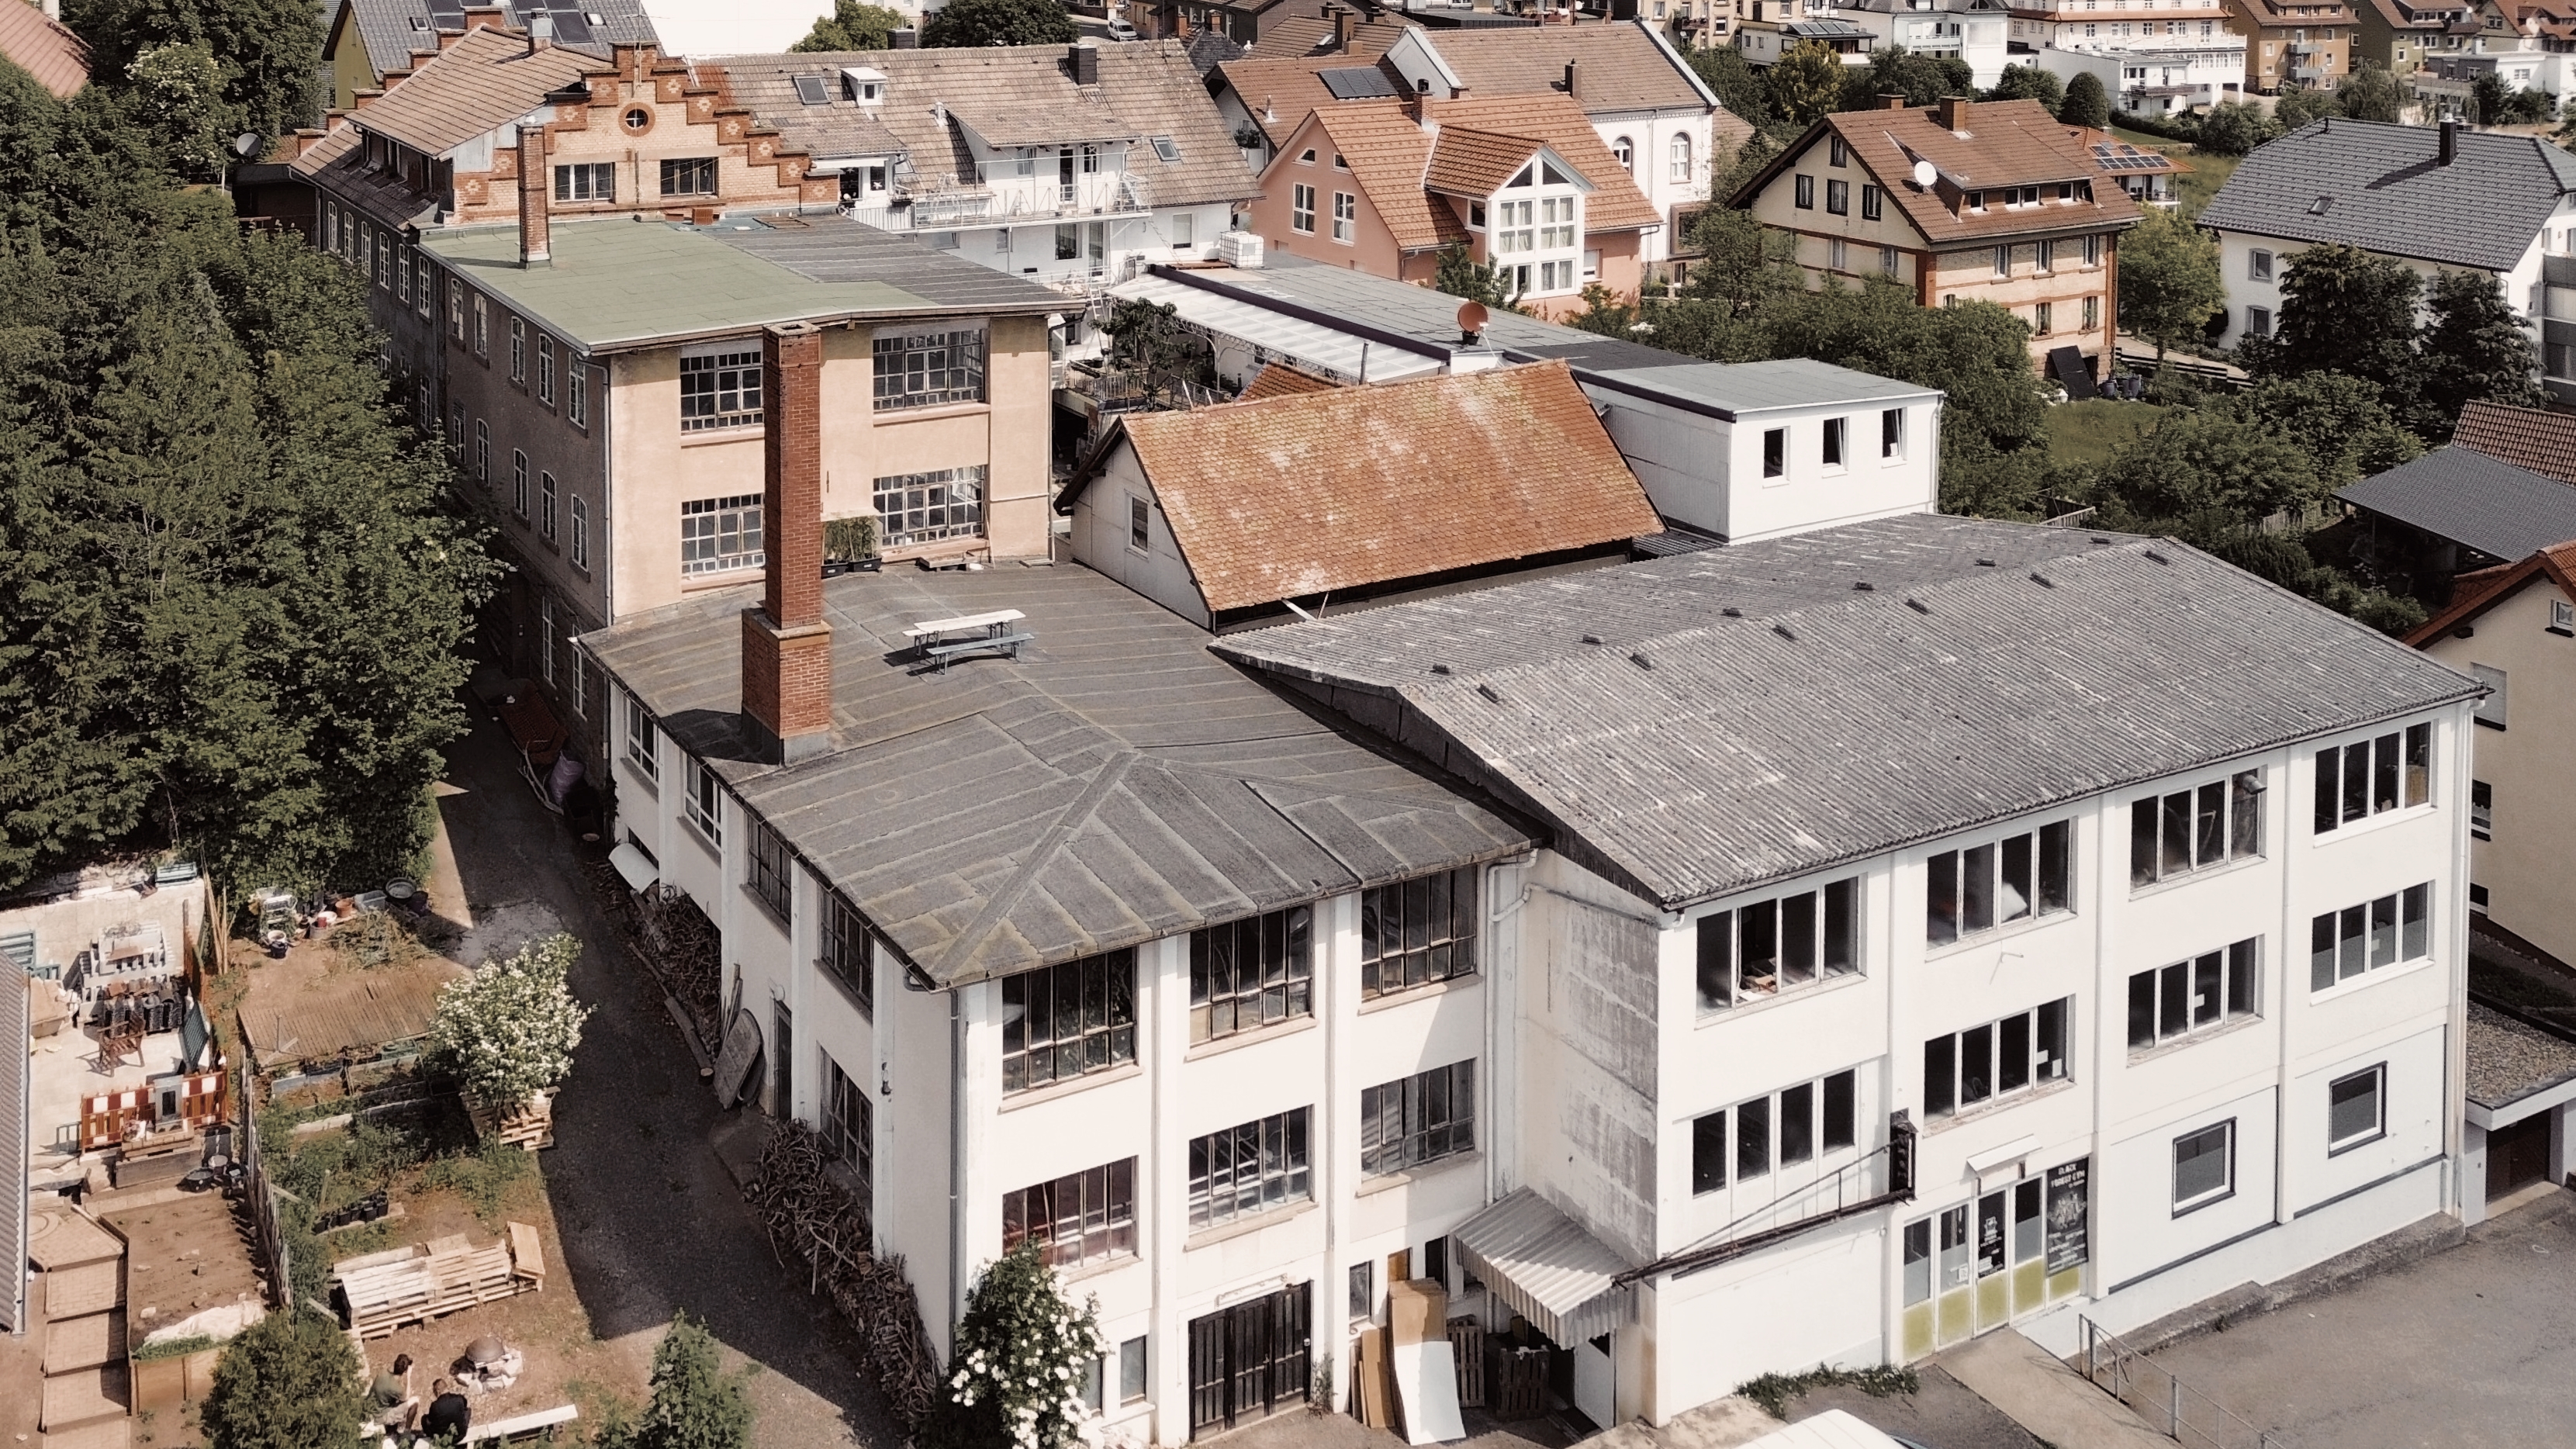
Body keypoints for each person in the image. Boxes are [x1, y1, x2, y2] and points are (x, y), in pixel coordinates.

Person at [420, 1378, 471, 1445]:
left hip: (443, 1438)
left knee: (424, 1419)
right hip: (460, 1435)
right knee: (468, 1410)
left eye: (434, 1392)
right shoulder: (459, 1398)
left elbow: (430, 1420)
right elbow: (465, 1406)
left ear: (438, 1391)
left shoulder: (435, 1405)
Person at [371, 1353, 414, 1429]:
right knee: (414, 1401)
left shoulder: (383, 1372)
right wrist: (408, 1376)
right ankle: (403, 1431)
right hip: (380, 1416)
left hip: (374, 1407)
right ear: (405, 1372)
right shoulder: (397, 1389)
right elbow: (406, 1398)